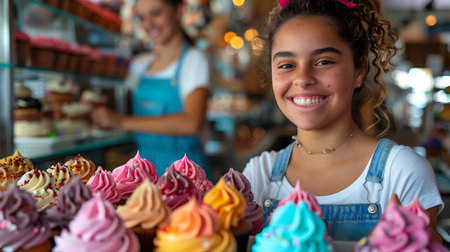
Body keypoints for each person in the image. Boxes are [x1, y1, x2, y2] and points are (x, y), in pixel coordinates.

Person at [242, 0, 444, 242]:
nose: (303, 79)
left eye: (323, 62)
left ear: (359, 71)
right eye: (287, 65)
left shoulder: (402, 172)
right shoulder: (258, 176)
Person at [91, 0, 213, 177]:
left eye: (156, 13)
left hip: (184, 173)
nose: (148, 24)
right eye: (142, 17)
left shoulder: (194, 60)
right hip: (142, 171)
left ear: (179, 10)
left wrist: (120, 121)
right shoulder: (140, 65)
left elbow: (192, 122)